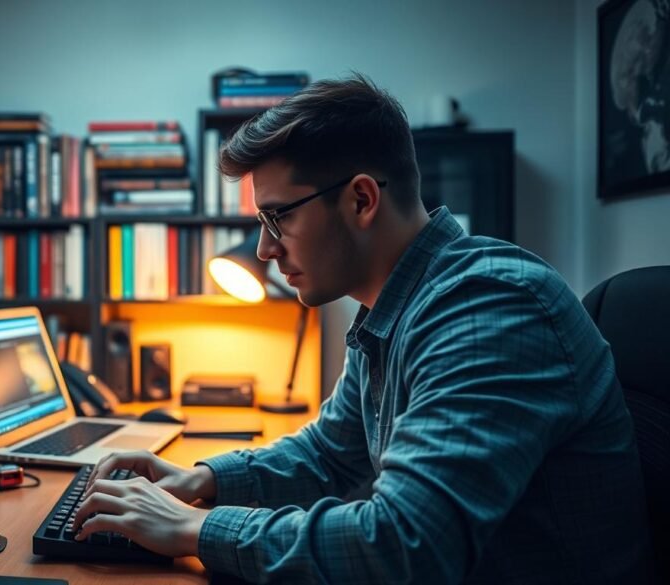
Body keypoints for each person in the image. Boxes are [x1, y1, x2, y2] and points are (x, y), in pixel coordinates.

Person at [71, 74, 653, 584]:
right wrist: (199, 480)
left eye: (279, 217)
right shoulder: (392, 307)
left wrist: (197, 529)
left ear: (362, 199)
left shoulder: (488, 306)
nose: (265, 248)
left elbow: (405, 545)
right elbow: (331, 453)